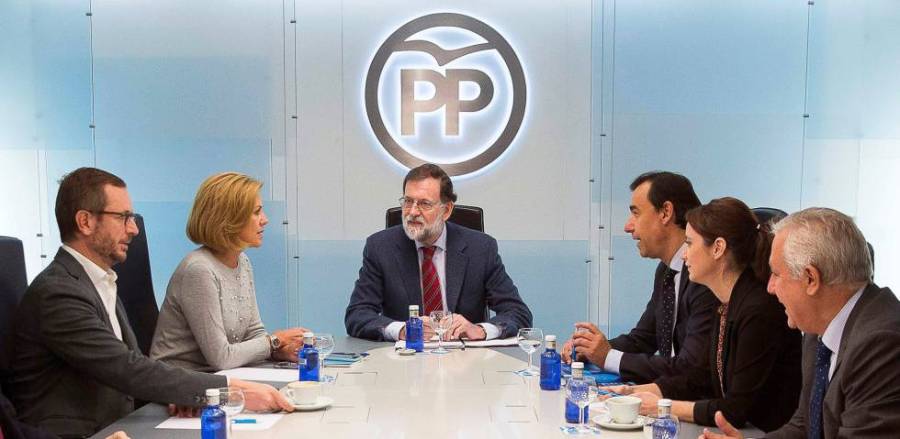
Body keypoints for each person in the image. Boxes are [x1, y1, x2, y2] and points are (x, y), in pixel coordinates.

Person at [9, 168, 293, 438]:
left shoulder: (99, 280)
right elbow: (126, 368)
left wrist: (177, 396)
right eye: (123, 217)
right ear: (85, 222)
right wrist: (228, 389)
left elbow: (128, 370)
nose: (134, 229)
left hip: (121, 425)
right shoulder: (59, 292)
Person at [604, 198, 802, 432]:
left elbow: (735, 410)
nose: (684, 255)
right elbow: (700, 377)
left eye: (689, 243)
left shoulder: (758, 310)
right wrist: (637, 393)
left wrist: (661, 406)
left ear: (718, 248)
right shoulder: (725, 302)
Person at [701, 208, 900, 439]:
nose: (770, 287)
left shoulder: (881, 344)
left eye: (776, 274)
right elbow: (804, 426)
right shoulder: (818, 328)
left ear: (810, 279)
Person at [563, 171, 719, 387]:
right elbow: (643, 339)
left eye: (636, 213)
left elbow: (690, 368)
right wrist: (590, 349)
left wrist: (607, 357)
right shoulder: (666, 271)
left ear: (665, 212)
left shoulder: (703, 274)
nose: (628, 227)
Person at [345, 163, 532, 341]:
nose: (412, 212)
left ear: (447, 210)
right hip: (406, 356)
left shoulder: (481, 249)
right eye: (408, 201)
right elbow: (357, 315)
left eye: (424, 204)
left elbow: (518, 313)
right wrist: (402, 330)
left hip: (465, 356)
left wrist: (480, 330)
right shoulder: (380, 248)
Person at [151, 172, 309, 372]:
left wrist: (277, 351)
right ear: (229, 219)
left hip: (221, 374)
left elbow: (253, 331)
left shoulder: (242, 261)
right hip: (182, 381)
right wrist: (275, 341)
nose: (265, 220)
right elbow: (221, 357)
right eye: (256, 212)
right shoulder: (199, 270)